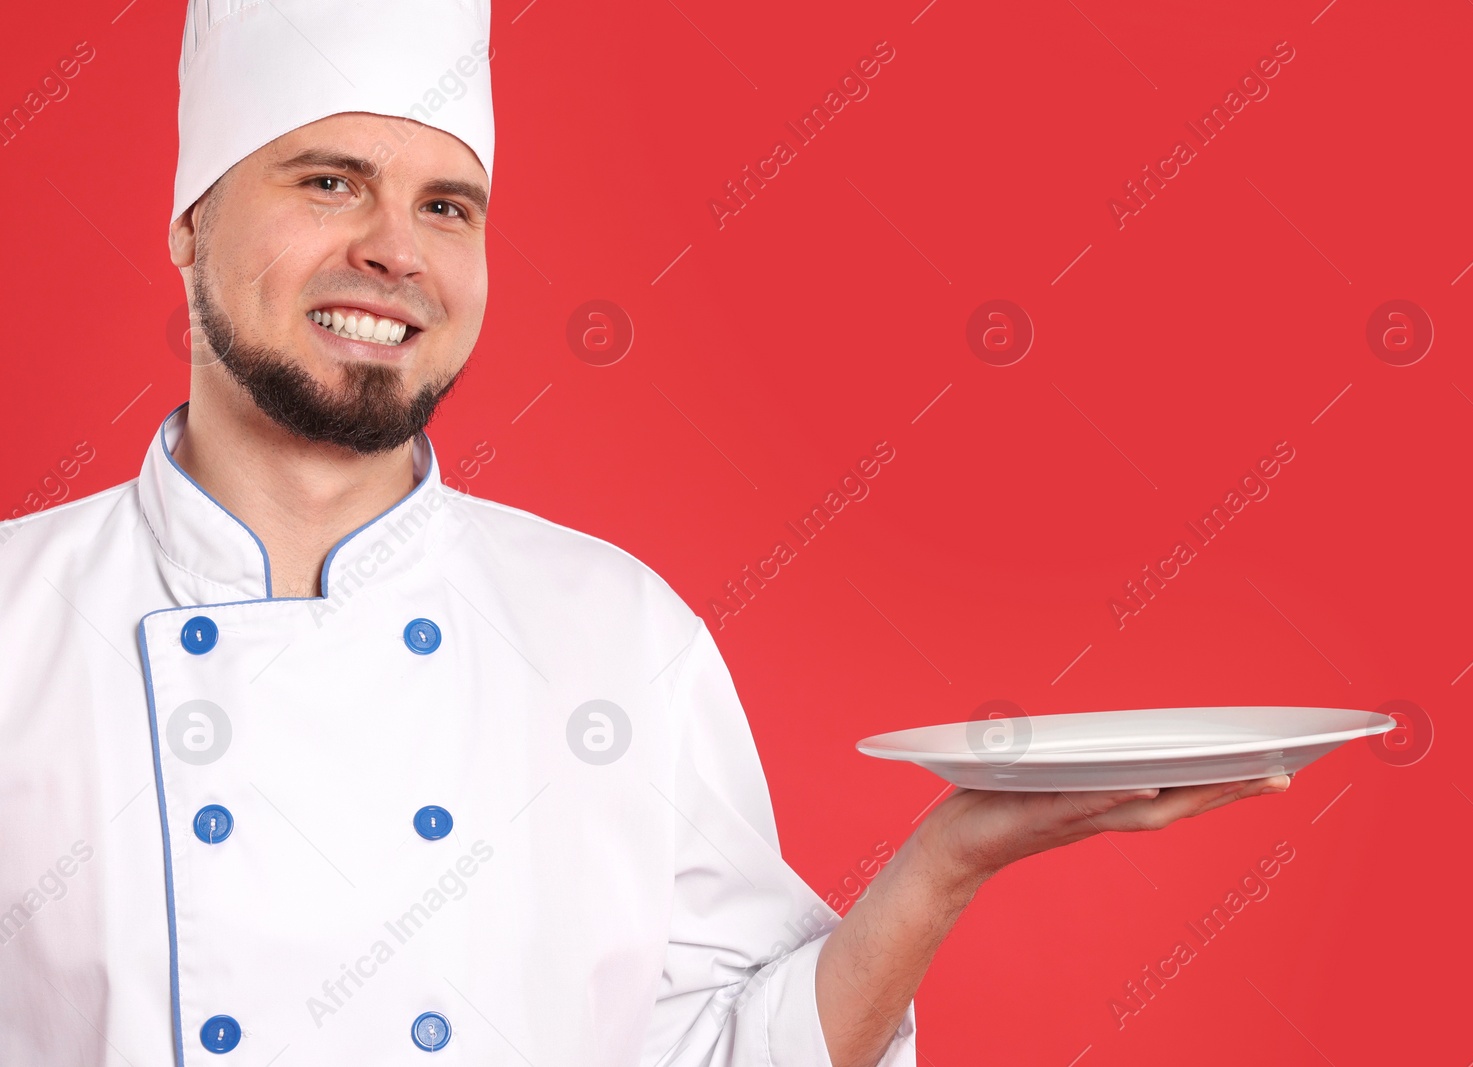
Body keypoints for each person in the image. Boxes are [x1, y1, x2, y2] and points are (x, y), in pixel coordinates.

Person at [0, 2, 1290, 1063]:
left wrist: (943, 866)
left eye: (448, 206)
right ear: (188, 225)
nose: (394, 251)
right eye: (329, 182)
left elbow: (727, 1054)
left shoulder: (611, 627)